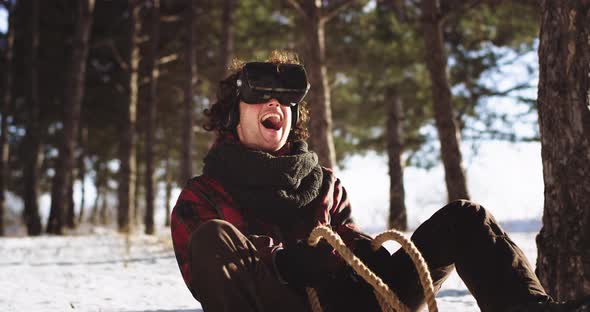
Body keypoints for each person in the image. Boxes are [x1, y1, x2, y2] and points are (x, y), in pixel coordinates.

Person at [170, 52, 589, 312]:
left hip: (354, 301)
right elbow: (204, 273)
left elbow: (347, 237)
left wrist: (361, 252)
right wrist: (281, 262)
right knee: (213, 238)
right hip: (279, 303)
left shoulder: (324, 182)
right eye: (260, 96)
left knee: (465, 218)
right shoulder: (201, 196)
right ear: (232, 113)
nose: (275, 103)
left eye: (286, 99)